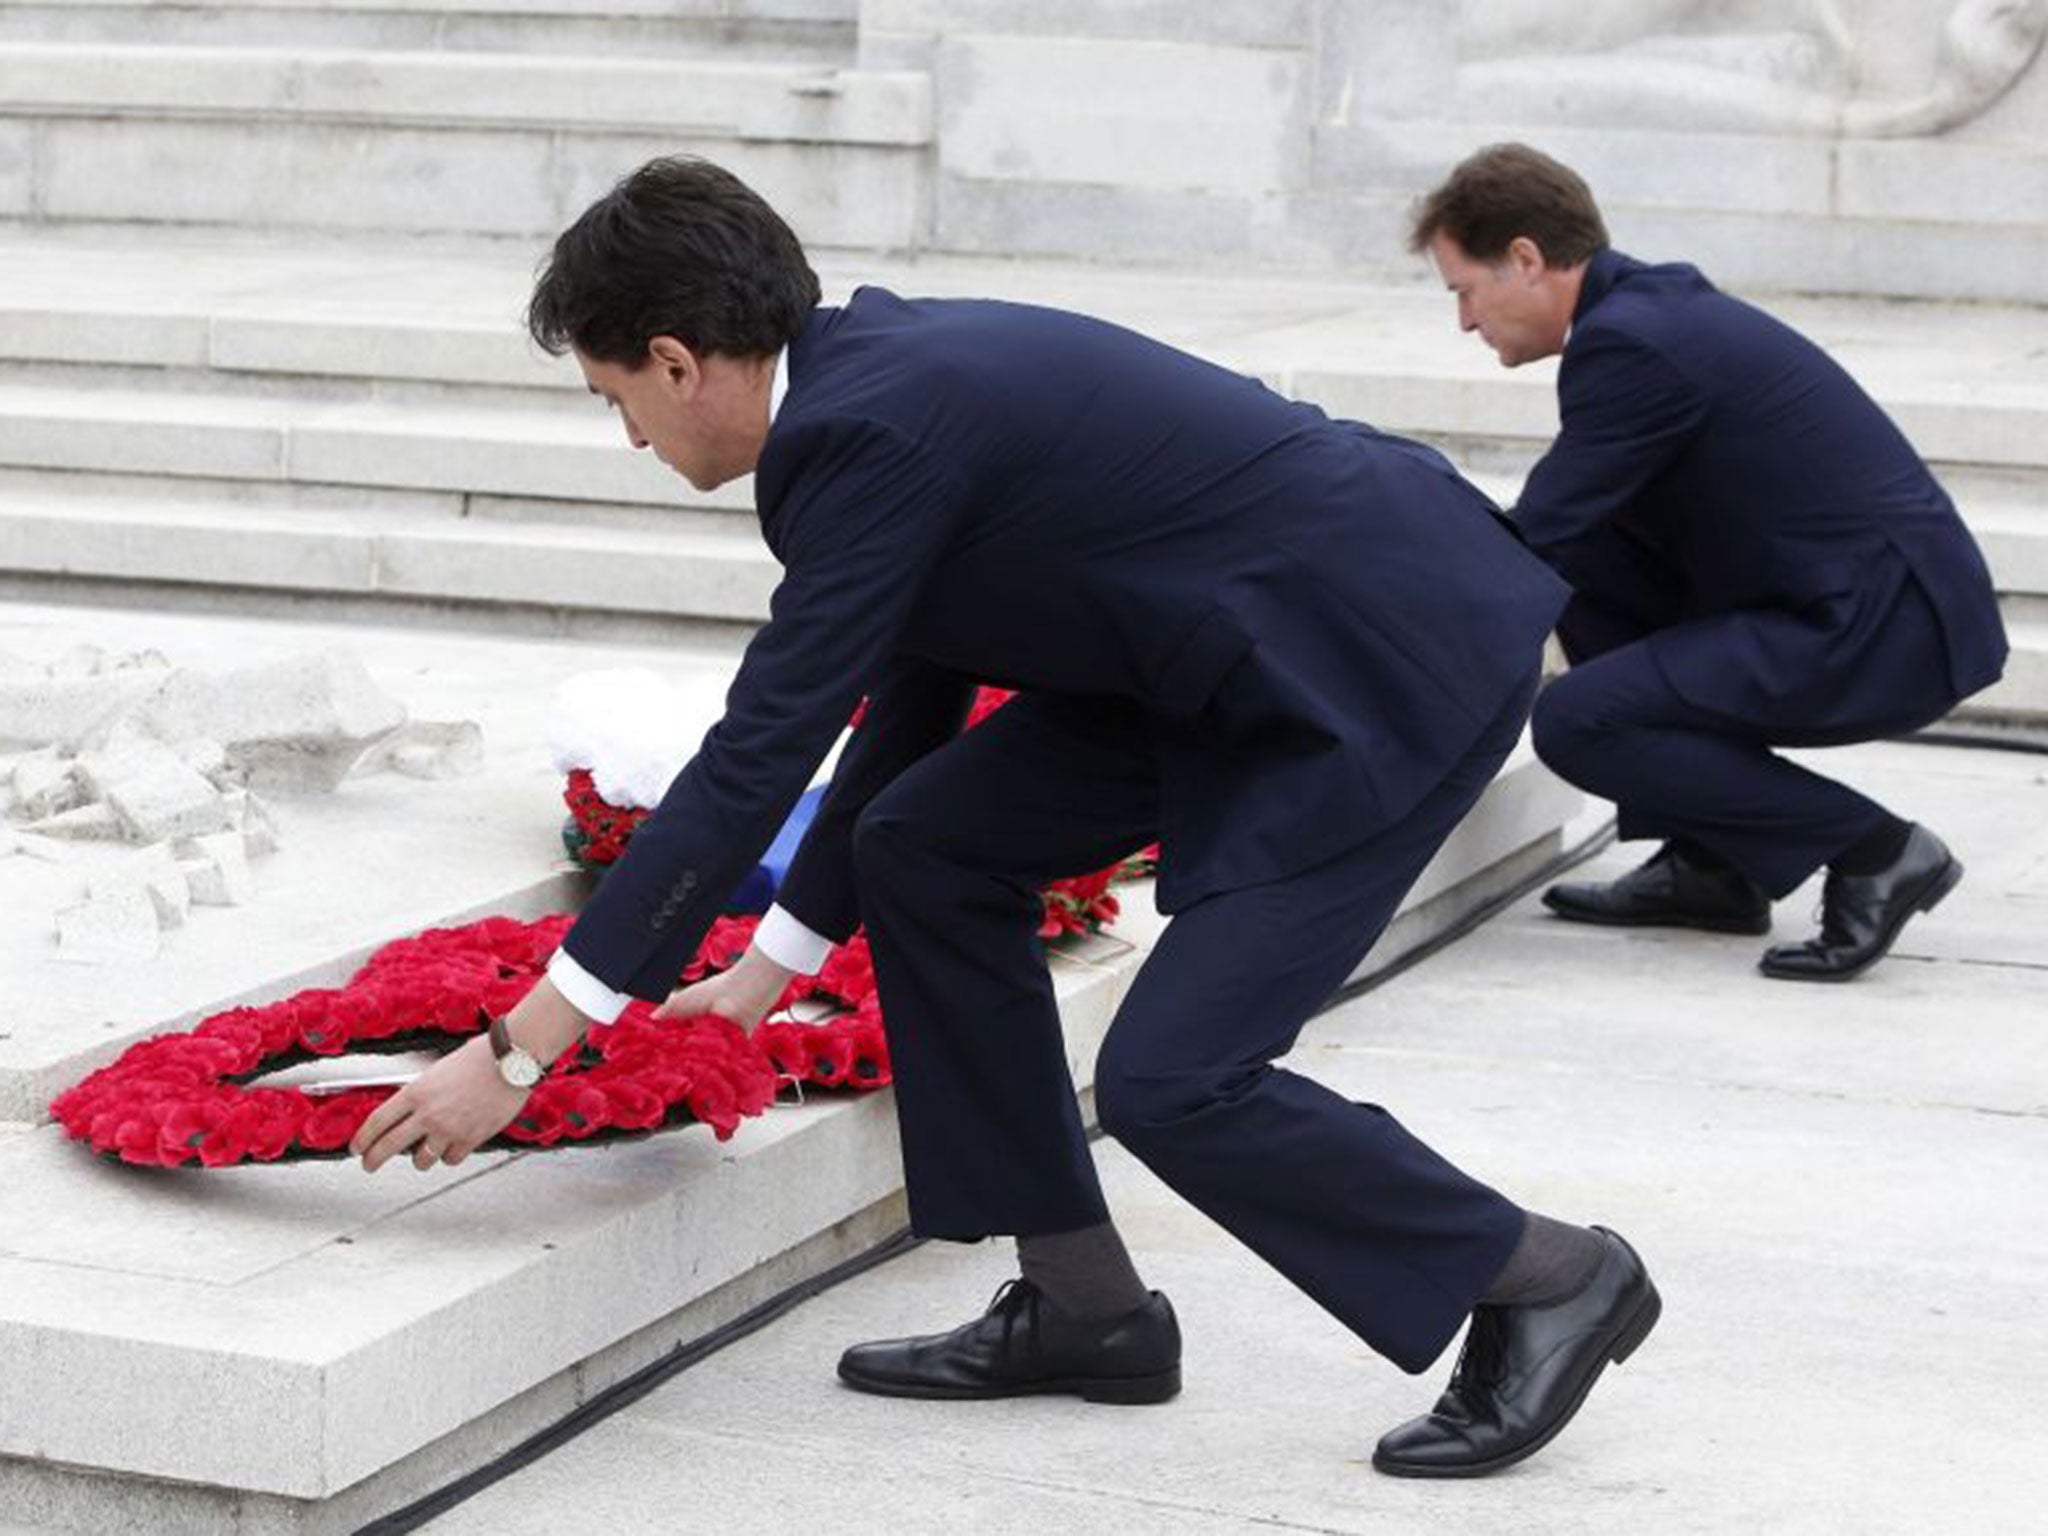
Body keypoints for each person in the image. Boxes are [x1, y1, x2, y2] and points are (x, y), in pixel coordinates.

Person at [352, 156, 1661, 1478]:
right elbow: (912, 688)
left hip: (1378, 662)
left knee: (1176, 1081)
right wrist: (765, 974)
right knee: (922, 845)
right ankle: (1087, 1309)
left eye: (616, 397)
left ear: (679, 361)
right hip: (1219, 658)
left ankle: (1547, 1274)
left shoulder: (866, 429)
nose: (629, 437)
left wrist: (521, 1053)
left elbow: (760, 754)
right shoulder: (867, 391)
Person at [1411, 143, 2008, 982]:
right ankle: (1710, 864)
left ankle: (1875, 848)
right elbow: (1566, 540)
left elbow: (1533, 534)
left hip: (1879, 626)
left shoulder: (1632, 345)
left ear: (1524, 259)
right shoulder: (1645, 313)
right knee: (1589, 569)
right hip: (1855, 599)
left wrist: (1376, 613)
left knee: (1581, 719)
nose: (1466, 322)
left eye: (1464, 292)